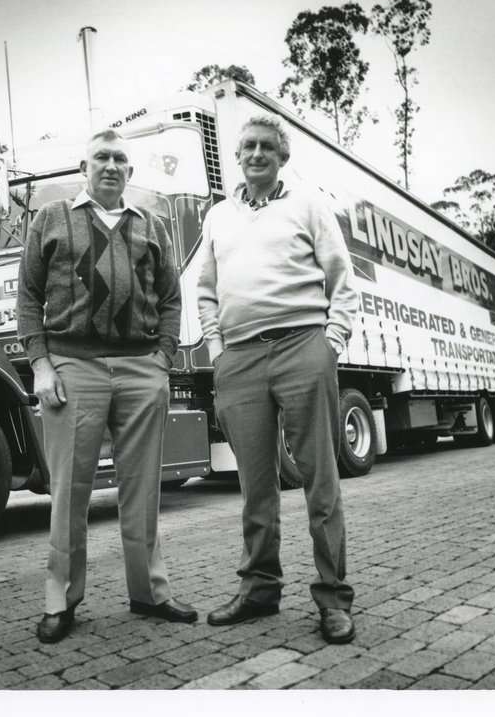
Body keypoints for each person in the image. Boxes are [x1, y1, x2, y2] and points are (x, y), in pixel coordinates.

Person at [17, 128, 197, 644]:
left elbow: (170, 298)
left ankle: (150, 593)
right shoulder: (50, 218)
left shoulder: (153, 225)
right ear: (84, 167)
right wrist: (41, 365)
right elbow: (29, 298)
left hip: (141, 368)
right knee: (69, 492)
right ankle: (61, 600)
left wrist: (162, 360)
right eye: (102, 157)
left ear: (131, 172)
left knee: (142, 489)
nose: (111, 165)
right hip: (73, 366)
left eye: (120, 158)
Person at [196, 114, 359, 644]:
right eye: (248, 145)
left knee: (320, 479)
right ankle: (259, 590)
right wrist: (217, 349)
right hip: (239, 360)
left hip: (301, 347)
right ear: (237, 156)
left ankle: (333, 599)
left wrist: (329, 344)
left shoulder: (309, 204)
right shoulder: (218, 216)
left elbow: (342, 280)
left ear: (282, 157)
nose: (257, 153)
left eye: (268, 146)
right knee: (254, 485)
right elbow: (205, 289)